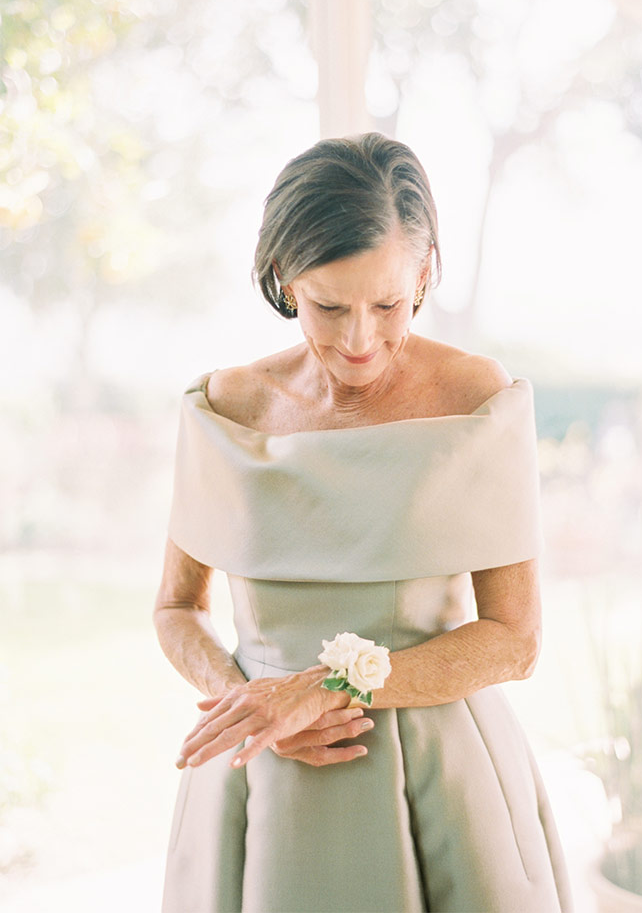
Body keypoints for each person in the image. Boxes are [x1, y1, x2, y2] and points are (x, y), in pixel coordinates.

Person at [154, 132, 571, 912]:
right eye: (327, 305)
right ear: (284, 278)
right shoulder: (226, 409)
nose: (359, 340)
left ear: (425, 268)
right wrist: (252, 702)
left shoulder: (474, 398)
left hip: (439, 778)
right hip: (265, 771)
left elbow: (516, 639)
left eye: (388, 303)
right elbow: (177, 607)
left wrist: (327, 686)